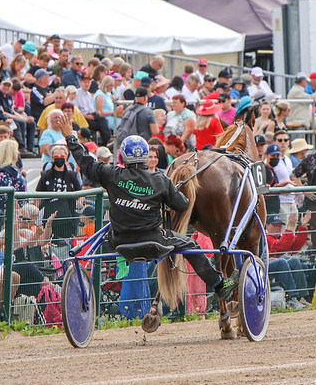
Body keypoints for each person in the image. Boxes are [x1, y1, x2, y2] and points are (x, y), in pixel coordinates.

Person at [56, 114, 237, 302]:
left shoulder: (111, 174)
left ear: (123, 156)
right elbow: (182, 205)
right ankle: (219, 284)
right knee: (191, 245)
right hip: (153, 242)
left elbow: (86, 163)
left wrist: (71, 137)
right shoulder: (160, 180)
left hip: (118, 242)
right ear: (145, 156)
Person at [266, 212, 311, 310]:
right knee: (282, 262)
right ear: (266, 226)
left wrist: (302, 227)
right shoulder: (265, 236)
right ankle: (292, 297)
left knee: (294, 261)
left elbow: (295, 246)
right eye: (274, 225)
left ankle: (301, 297)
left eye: (279, 226)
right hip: (263, 265)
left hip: (274, 262)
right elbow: (280, 247)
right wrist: (290, 228)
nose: (278, 228)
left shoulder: (279, 236)